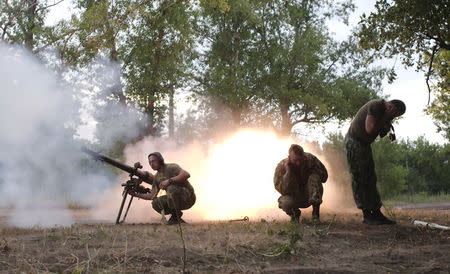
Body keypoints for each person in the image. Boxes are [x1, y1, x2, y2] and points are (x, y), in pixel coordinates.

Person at [345, 99, 406, 225]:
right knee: (360, 179)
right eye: (394, 113)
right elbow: (370, 129)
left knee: (370, 178)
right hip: (354, 143)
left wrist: (388, 129)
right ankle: (367, 215)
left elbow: (381, 133)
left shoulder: (386, 114)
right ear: (390, 106)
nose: (394, 116)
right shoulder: (376, 106)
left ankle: (376, 213)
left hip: (364, 145)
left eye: (396, 116)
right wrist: (385, 118)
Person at [129, 152, 196, 225]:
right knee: (155, 202)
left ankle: (175, 217)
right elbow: (152, 195)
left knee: (171, 188)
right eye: (150, 162)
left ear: (160, 160)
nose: (151, 164)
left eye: (153, 161)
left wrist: (169, 181)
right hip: (177, 199)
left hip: (189, 197)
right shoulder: (157, 178)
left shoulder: (171, 167)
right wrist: (136, 194)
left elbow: (186, 174)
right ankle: (176, 216)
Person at [274, 144, 328, 223]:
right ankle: (295, 215)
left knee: (314, 177)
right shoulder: (282, 166)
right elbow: (282, 191)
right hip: (294, 198)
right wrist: (288, 173)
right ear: (289, 157)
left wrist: (313, 169)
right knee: (284, 202)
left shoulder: (311, 159)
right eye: (295, 160)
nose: (298, 163)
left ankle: (315, 215)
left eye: (300, 159)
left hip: (310, 196)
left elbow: (324, 178)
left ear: (303, 155)